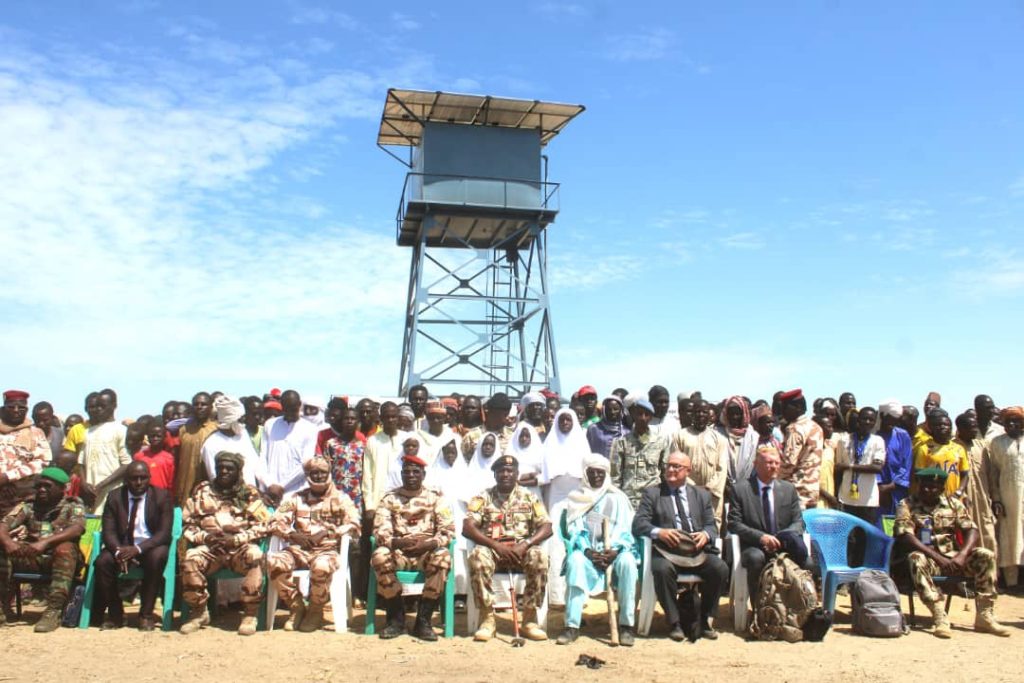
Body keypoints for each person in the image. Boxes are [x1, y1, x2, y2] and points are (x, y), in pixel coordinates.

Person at [893, 467, 1009, 638]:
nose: (927, 490)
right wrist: (939, 559)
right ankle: (940, 616)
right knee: (915, 558)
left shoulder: (954, 504)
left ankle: (985, 615)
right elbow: (905, 536)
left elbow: (972, 531)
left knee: (986, 555)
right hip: (929, 560)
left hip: (954, 559)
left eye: (933, 487)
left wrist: (961, 556)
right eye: (924, 486)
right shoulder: (907, 504)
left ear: (941, 488)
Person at [632, 451, 729, 640]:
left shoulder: (701, 495)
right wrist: (660, 532)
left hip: (696, 551)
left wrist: (705, 534)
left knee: (720, 568)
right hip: (667, 551)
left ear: (688, 471)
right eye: (669, 465)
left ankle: (704, 619)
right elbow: (638, 524)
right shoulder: (653, 493)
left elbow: (712, 525)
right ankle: (674, 622)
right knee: (661, 569)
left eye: (677, 466)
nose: (671, 469)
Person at [179, 452, 271, 636]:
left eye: (229, 468)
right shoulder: (202, 491)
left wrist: (236, 539)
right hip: (210, 549)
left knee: (255, 555)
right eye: (220, 467)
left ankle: (250, 614)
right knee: (190, 558)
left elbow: (263, 526)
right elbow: (187, 524)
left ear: (238, 471)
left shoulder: (250, 494)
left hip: (239, 549)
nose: (224, 471)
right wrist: (205, 538)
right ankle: (199, 612)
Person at [464, 454, 552, 642]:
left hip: (522, 549)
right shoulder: (483, 497)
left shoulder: (529, 497)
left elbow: (547, 527)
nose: (505, 474)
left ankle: (529, 619)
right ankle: (487, 619)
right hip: (493, 549)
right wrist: (495, 545)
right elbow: (468, 526)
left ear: (516, 474)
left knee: (540, 557)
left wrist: (526, 544)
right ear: (494, 474)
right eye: (501, 471)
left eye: (510, 471)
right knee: (478, 557)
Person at [267, 457, 360, 632]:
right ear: (307, 475)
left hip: (327, 550)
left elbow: (355, 525)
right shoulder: (296, 498)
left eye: (322, 472)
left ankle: (315, 610)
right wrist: (293, 535)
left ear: (329, 473)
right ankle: (296, 606)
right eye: (314, 473)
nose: (318, 476)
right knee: (274, 562)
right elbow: (274, 522)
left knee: (321, 567)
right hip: (299, 549)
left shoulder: (341, 498)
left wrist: (329, 532)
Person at [556, 453, 638, 646]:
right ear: (585, 474)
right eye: (591, 473)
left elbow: (627, 531)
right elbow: (573, 531)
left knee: (628, 563)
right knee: (575, 561)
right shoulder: (577, 498)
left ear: (606, 474)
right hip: (588, 553)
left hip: (614, 551)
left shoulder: (618, 499)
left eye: (600, 473)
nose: (596, 477)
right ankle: (572, 626)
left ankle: (626, 626)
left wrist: (615, 551)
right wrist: (588, 552)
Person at [371, 454, 454, 641]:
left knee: (443, 557)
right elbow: (380, 531)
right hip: (399, 552)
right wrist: (397, 543)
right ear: (401, 474)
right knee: (379, 556)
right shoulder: (390, 499)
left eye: (415, 472)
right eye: (406, 472)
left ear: (423, 475)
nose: (411, 475)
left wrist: (429, 544)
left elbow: (448, 530)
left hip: (426, 552)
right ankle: (396, 618)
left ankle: (423, 621)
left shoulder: (435, 498)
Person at [0, 466, 86, 631]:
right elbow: (4, 525)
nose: (42, 489)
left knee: (65, 548)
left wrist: (46, 542)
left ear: (62, 489)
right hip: (30, 556)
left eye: (48, 486)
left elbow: (76, 528)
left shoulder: (72, 505)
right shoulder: (29, 505)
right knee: (2, 546)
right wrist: (8, 542)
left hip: (59, 559)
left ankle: (53, 611)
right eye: (39, 485)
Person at [93, 461, 173, 631]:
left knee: (158, 557)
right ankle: (116, 615)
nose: (138, 483)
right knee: (102, 562)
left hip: (149, 548)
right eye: (133, 478)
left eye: (143, 478)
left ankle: (146, 615)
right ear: (125, 480)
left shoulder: (161, 496)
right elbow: (108, 531)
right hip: (122, 547)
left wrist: (137, 549)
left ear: (149, 478)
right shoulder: (114, 497)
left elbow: (163, 534)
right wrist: (118, 551)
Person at [727, 445, 808, 611]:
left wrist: (783, 537)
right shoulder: (741, 489)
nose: (774, 467)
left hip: (783, 545)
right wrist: (761, 537)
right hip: (754, 545)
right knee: (756, 559)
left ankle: (799, 610)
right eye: (769, 463)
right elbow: (734, 523)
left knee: (810, 563)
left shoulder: (788, 489)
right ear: (756, 464)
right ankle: (761, 611)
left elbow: (799, 522)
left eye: (777, 463)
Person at [316, 403, 368, 599]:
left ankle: (354, 593)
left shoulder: (364, 446)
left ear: (358, 423)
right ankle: (329, 593)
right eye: (346, 418)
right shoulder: (331, 444)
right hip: (334, 501)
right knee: (331, 544)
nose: (349, 422)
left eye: (353, 419)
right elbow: (325, 473)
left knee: (355, 548)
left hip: (356, 503)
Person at [672, 399, 729, 524]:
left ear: (709, 414)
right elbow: (676, 464)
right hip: (686, 491)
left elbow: (722, 468)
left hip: (712, 494)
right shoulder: (680, 436)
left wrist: (710, 487)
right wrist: (692, 487)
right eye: (697, 412)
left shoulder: (719, 439)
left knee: (712, 526)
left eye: (704, 412)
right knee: (688, 523)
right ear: (692, 414)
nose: (701, 415)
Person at [609, 399, 672, 508]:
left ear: (651, 417)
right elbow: (615, 476)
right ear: (633, 415)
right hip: (628, 500)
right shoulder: (621, 442)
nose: (642, 418)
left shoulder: (661, 441)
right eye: (639, 414)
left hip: (653, 500)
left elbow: (665, 473)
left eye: (646, 415)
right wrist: (617, 500)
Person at [261, 390, 318, 505]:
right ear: (282, 406)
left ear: (299, 405)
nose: (290, 412)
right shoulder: (270, 425)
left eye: (293, 408)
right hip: (270, 492)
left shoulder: (310, 429)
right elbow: (263, 458)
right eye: (287, 409)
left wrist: (281, 486)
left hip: (296, 493)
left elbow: (306, 464)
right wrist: (270, 485)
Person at [79, 389, 131, 513]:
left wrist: (102, 485)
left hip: (112, 492)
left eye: (103, 406)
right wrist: (84, 484)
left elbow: (126, 464)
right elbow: (81, 462)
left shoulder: (121, 430)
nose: (98, 409)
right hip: (90, 494)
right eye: (97, 406)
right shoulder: (88, 432)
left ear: (114, 406)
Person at [989, 406, 1024, 590]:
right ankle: (1012, 581)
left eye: (1016, 421)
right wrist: (996, 499)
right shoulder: (997, 443)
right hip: (1007, 498)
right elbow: (993, 473)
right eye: (1009, 421)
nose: (1012, 424)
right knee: (1009, 537)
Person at [0, 390, 50, 517]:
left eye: (21, 407)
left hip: (22, 498)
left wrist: (8, 477)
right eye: (11, 407)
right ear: (4, 407)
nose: (16, 410)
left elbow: (42, 462)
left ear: (27, 410)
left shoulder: (36, 433)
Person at [954, 412, 998, 555]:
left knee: (988, 535)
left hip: (983, 501)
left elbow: (991, 476)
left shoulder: (983, 446)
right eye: (971, 427)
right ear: (960, 428)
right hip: (961, 502)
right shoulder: (953, 448)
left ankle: (991, 574)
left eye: (976, 427)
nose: (975, 431)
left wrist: (995, 499)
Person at [363, 402, 413, 528]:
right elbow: (367, 476)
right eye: (387, 417)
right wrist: (369, 506)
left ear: (398, 418)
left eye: (394, 416)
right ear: (381, 418)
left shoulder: (408, 439)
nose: (390, 420)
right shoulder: (372, 441)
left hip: (405, 499)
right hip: (380, 499)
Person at [834, 407, 886, 525]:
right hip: (846, 497)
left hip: (868, 500)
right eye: (865, 419)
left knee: (865, 537)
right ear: (858, 420)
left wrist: (849, 467)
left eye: (871, 420)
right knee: (849, 538)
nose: (867, 422)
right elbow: (838, 468)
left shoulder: (878, 441)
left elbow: (876, 468)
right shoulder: (844, 440)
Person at [778, 389, 824, 509]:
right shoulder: (816, 426)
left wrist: (774, 480)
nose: (782, 412)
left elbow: (788, 463)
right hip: (812, 490)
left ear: (798, 407)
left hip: (796, 492)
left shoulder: (795, 429)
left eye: (785, 407)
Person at [173, 391, 218, 506]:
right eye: (196, 404)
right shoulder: (184, 430)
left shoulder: (217, 430)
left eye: (203, 404)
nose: (199, 407)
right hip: (185, 485)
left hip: (208, 486)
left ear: (211, 407)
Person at [912, 410, 970, 498]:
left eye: (946, 425)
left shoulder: (959, 449)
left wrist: (959, 491)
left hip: (955, 498)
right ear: (932, 428)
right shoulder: (924, 449)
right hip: (932, 499)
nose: (943, 427)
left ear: (951, 428)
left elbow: (965, 474)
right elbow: (918, 475)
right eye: (938, 425)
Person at [877, 399, 912, 517]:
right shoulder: (873, 436)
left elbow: (906, 465)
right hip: (876, 490)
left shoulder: (902, 435)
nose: (892, 425)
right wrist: (880, 487)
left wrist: (890, 486)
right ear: (882, 415)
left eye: (895, 421)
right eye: (890, 420)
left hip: (898, 490)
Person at [460, 393, 514, 460]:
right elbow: (461, 462)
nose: (508, 418)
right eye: (505, 415)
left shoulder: (512, 436)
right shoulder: (471, 437)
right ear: (492, 413)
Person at [133, 420, 175, 492]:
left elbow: (170, 481)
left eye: (158, 436)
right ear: (148, 437)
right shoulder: (139, 457)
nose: (155, 438)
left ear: (164, 437)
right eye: (152, 436)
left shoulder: (169, 458)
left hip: (161, 495)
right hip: (143, 494)